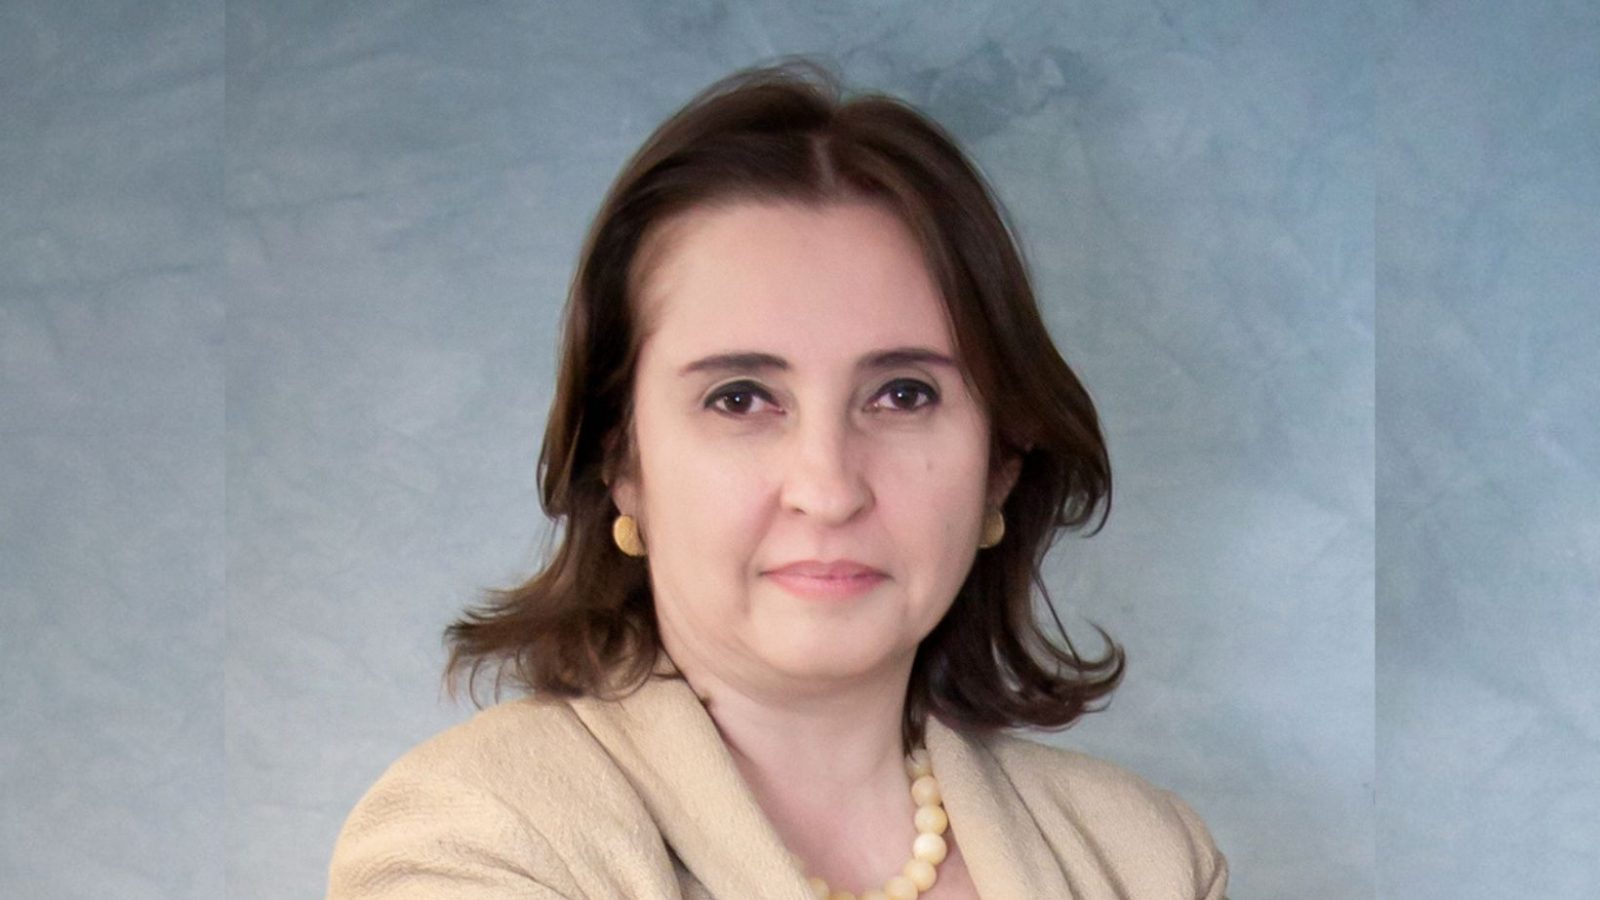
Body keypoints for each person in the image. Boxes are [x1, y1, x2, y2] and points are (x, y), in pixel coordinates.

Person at [327, 61, 1228, 900]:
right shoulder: (476, 836)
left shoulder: (1141, 859)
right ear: (622, 463)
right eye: (741, 398)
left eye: (903, 394)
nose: (828, 489)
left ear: (1001, 463)